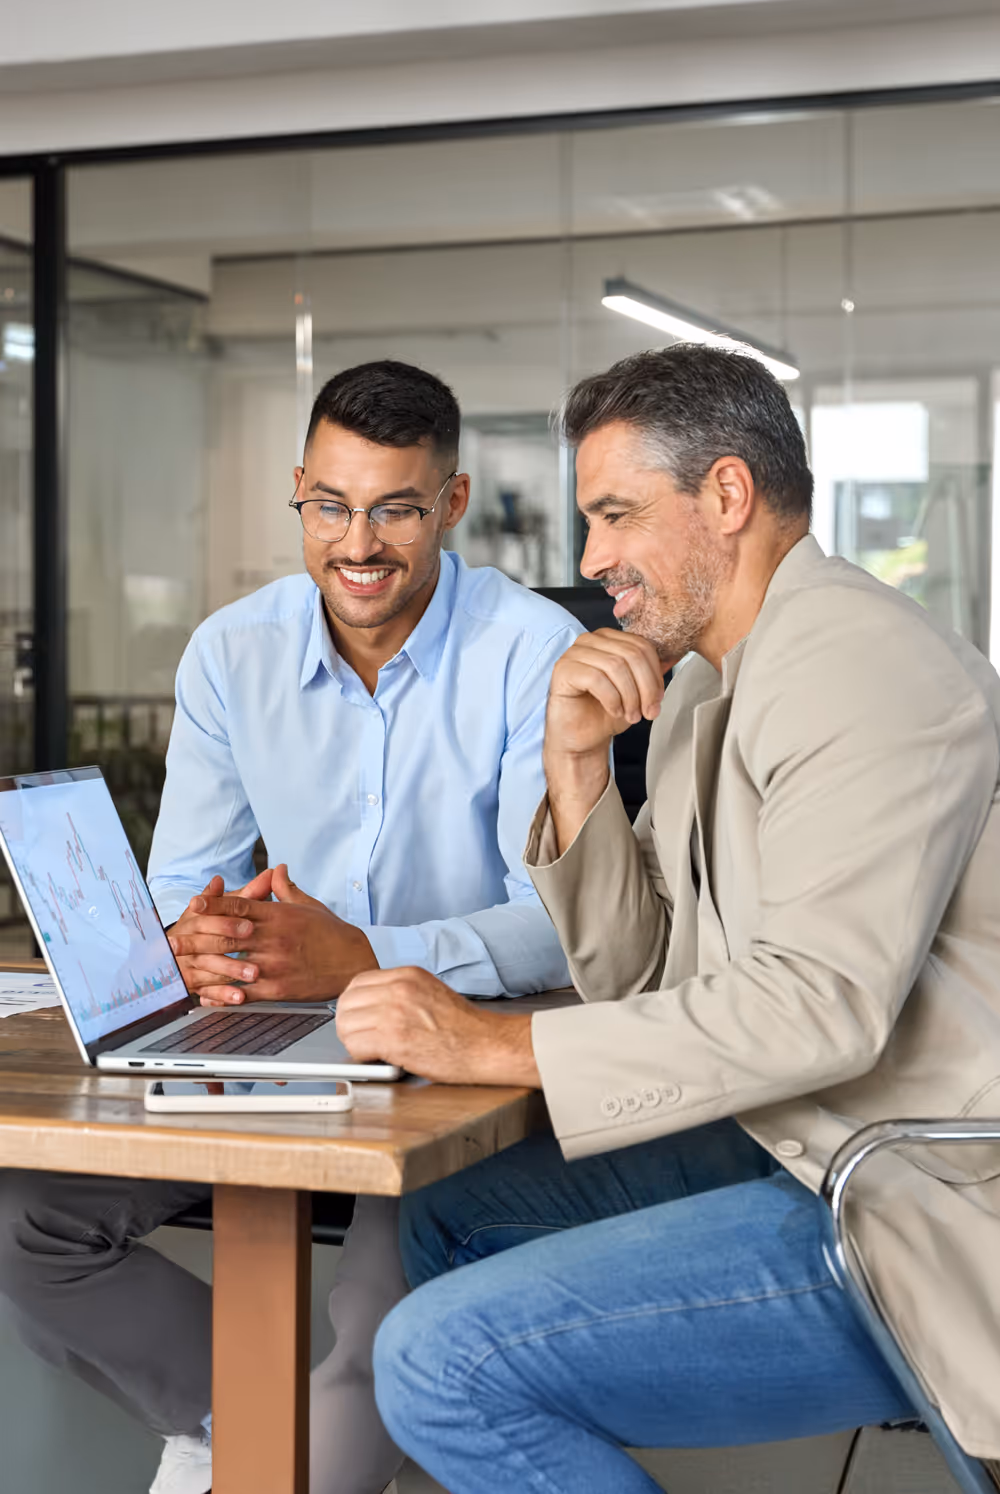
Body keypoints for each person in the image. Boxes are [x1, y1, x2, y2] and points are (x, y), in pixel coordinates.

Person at [331, 345, 1000, 1493]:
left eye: (615, 515)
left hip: (906, 1201)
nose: (591, 562)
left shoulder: (863, 668)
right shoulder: (706, 681)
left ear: (726, 496)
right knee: (441, 1215)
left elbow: (816, 1010)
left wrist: (493, 1042)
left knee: (443, 1363)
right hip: (788, 1140)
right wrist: (580, 774)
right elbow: (645, 979)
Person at [0, 360, 580, 1494]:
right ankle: (243, 1420)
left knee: (374, 1309)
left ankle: (301, 1434)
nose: (356, 544)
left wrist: (362, 957)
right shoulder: (231, 651)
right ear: (299, 493)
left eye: (396, 509)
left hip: (456, 1055)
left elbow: (557, 930)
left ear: (451, 505)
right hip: (261, 1039)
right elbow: (185, 886)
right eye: (330, 505)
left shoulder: (531, 649)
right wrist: (196, 937)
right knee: (25, 1222)